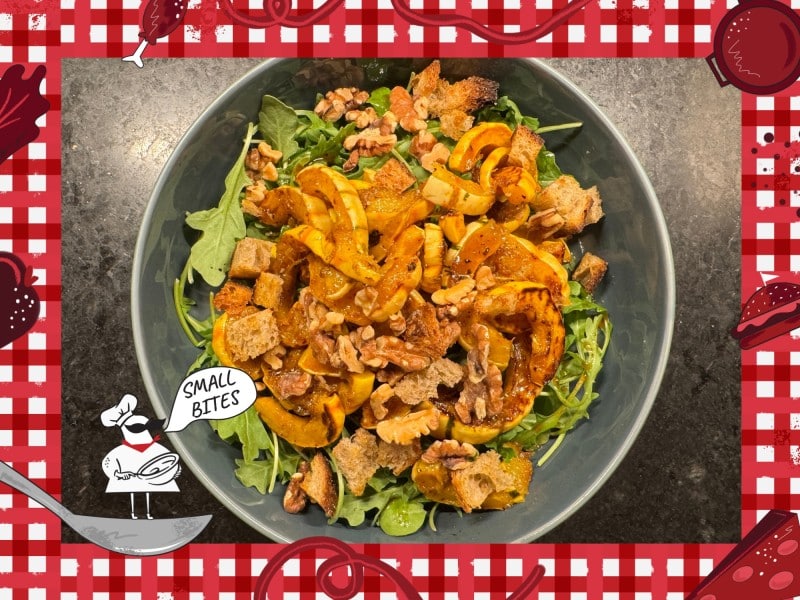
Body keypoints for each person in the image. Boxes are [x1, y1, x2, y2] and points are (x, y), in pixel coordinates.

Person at [100, 394, 180, 519]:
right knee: (133, 491)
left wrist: (175, 470)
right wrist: (117, 474)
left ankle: (147, 514)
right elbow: (108, 463)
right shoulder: (123, 452)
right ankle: (133, 514)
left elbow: (167, 460)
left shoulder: (154, 449)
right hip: (128, 477)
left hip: (154, 477)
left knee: (147, 491)